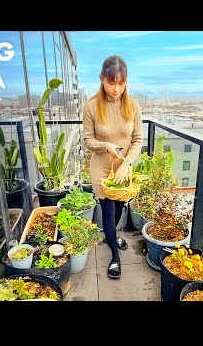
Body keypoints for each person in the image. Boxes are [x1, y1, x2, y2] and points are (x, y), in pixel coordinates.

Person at [83, 55, 143, 279]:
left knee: (119, 209)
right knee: (107, 210)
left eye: (121, 83)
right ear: (102, 79)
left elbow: (137, 140)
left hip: (123, 170)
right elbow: (88, 140)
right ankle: (115, 256)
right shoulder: (91, 106)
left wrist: (126, 163)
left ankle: (111, 236)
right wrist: (105, 145)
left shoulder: (133, 105)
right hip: (101, 170)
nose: (116, 89)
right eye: (111, 82)